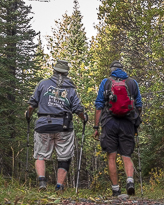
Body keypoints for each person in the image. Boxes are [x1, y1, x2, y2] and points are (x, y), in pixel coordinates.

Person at [26, 60, 87, 191]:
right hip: (64, 126)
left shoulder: (43, 84)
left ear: (54, 70)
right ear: (66, 73)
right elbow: (78, 109)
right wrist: (84, 119)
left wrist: (28, 115)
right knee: (64, 157)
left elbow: (32, 105)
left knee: (40, 155)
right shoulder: (71, 88)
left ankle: (42, 181)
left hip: (43, 125)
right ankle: (59, 186)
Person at [93, 61, 143, 196]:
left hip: (109, 122)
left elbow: (99, 106)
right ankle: (130, 181)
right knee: (126, 154)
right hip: (127, 122)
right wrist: (136, 124)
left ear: (111, 70)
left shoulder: (106, 82)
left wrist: (96, 127)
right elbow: (138, 105)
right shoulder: (132, 83)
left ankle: (116, 189)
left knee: (111, 156)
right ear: (122, 70)